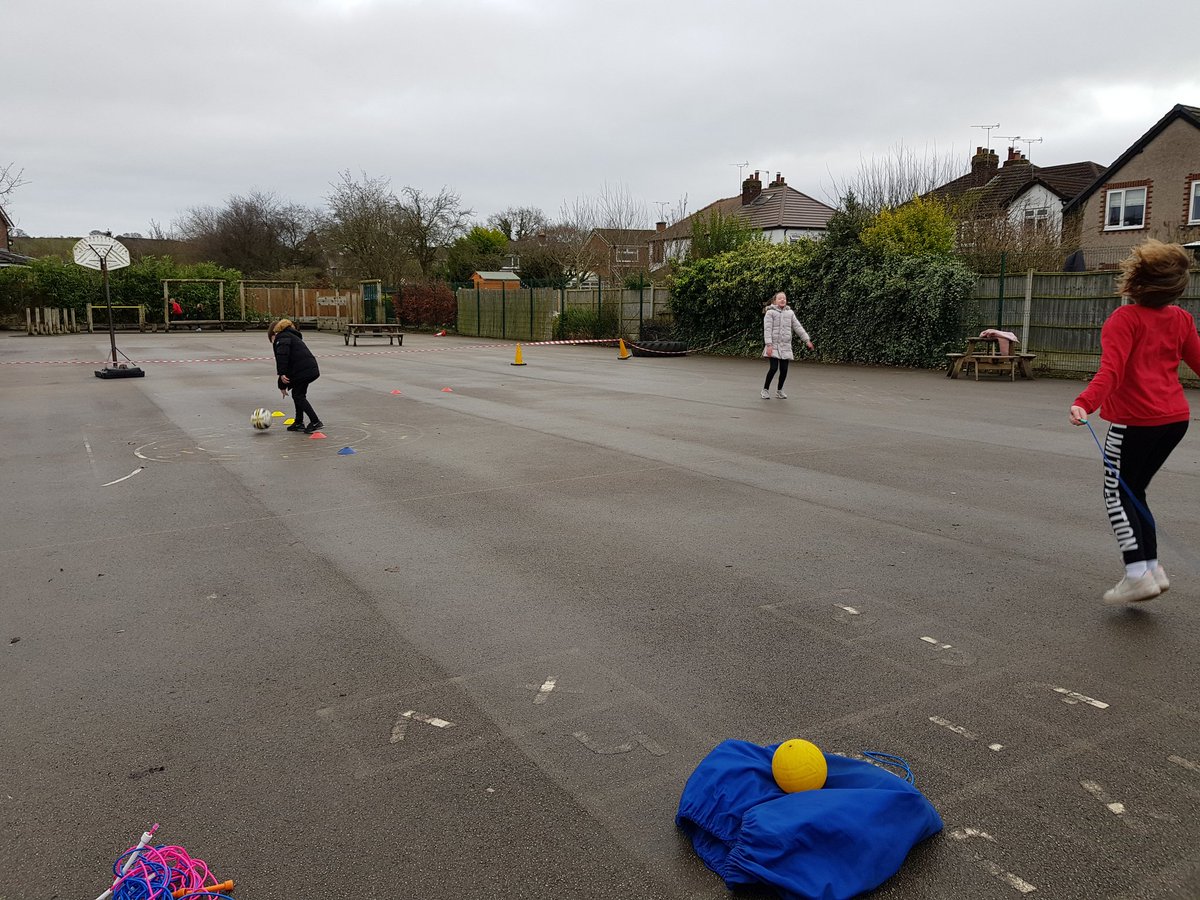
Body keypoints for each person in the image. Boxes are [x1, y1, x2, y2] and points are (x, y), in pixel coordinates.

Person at [1069, 239, 1200, 604]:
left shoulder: (1123, 320)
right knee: (1135, 490)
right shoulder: (1181, 318)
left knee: (1117, 491)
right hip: (1175, 421)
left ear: (1134, 280)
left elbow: (1111, 371)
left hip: (1135, 424)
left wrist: (1084, 403)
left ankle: (1136, 573)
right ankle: (1152, 568)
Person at [269, 318, 324, 433]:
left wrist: (281, 374)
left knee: (298, 395)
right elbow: (290, 362)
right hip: (308, 369)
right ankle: (299, 422)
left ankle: (315, 421)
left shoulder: (281, 338)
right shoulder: (291, 336)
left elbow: (283, 358)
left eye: (271, 339)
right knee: (298, 394)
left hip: (304, 370)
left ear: (274, 334)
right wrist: (282, 385)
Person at [761, 291, 814, 399]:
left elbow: (798, 327)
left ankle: (779, 391)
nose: (782, 300)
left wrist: (807, 340)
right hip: (773, 345)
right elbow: (767, 329)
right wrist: (769, 345)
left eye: (784, 298)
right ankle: (765, 390)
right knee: (773, 368)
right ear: (775, 301)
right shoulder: (770, 313)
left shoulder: (790, 313)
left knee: (784, 369)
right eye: (780, 298)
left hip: (785, 346)